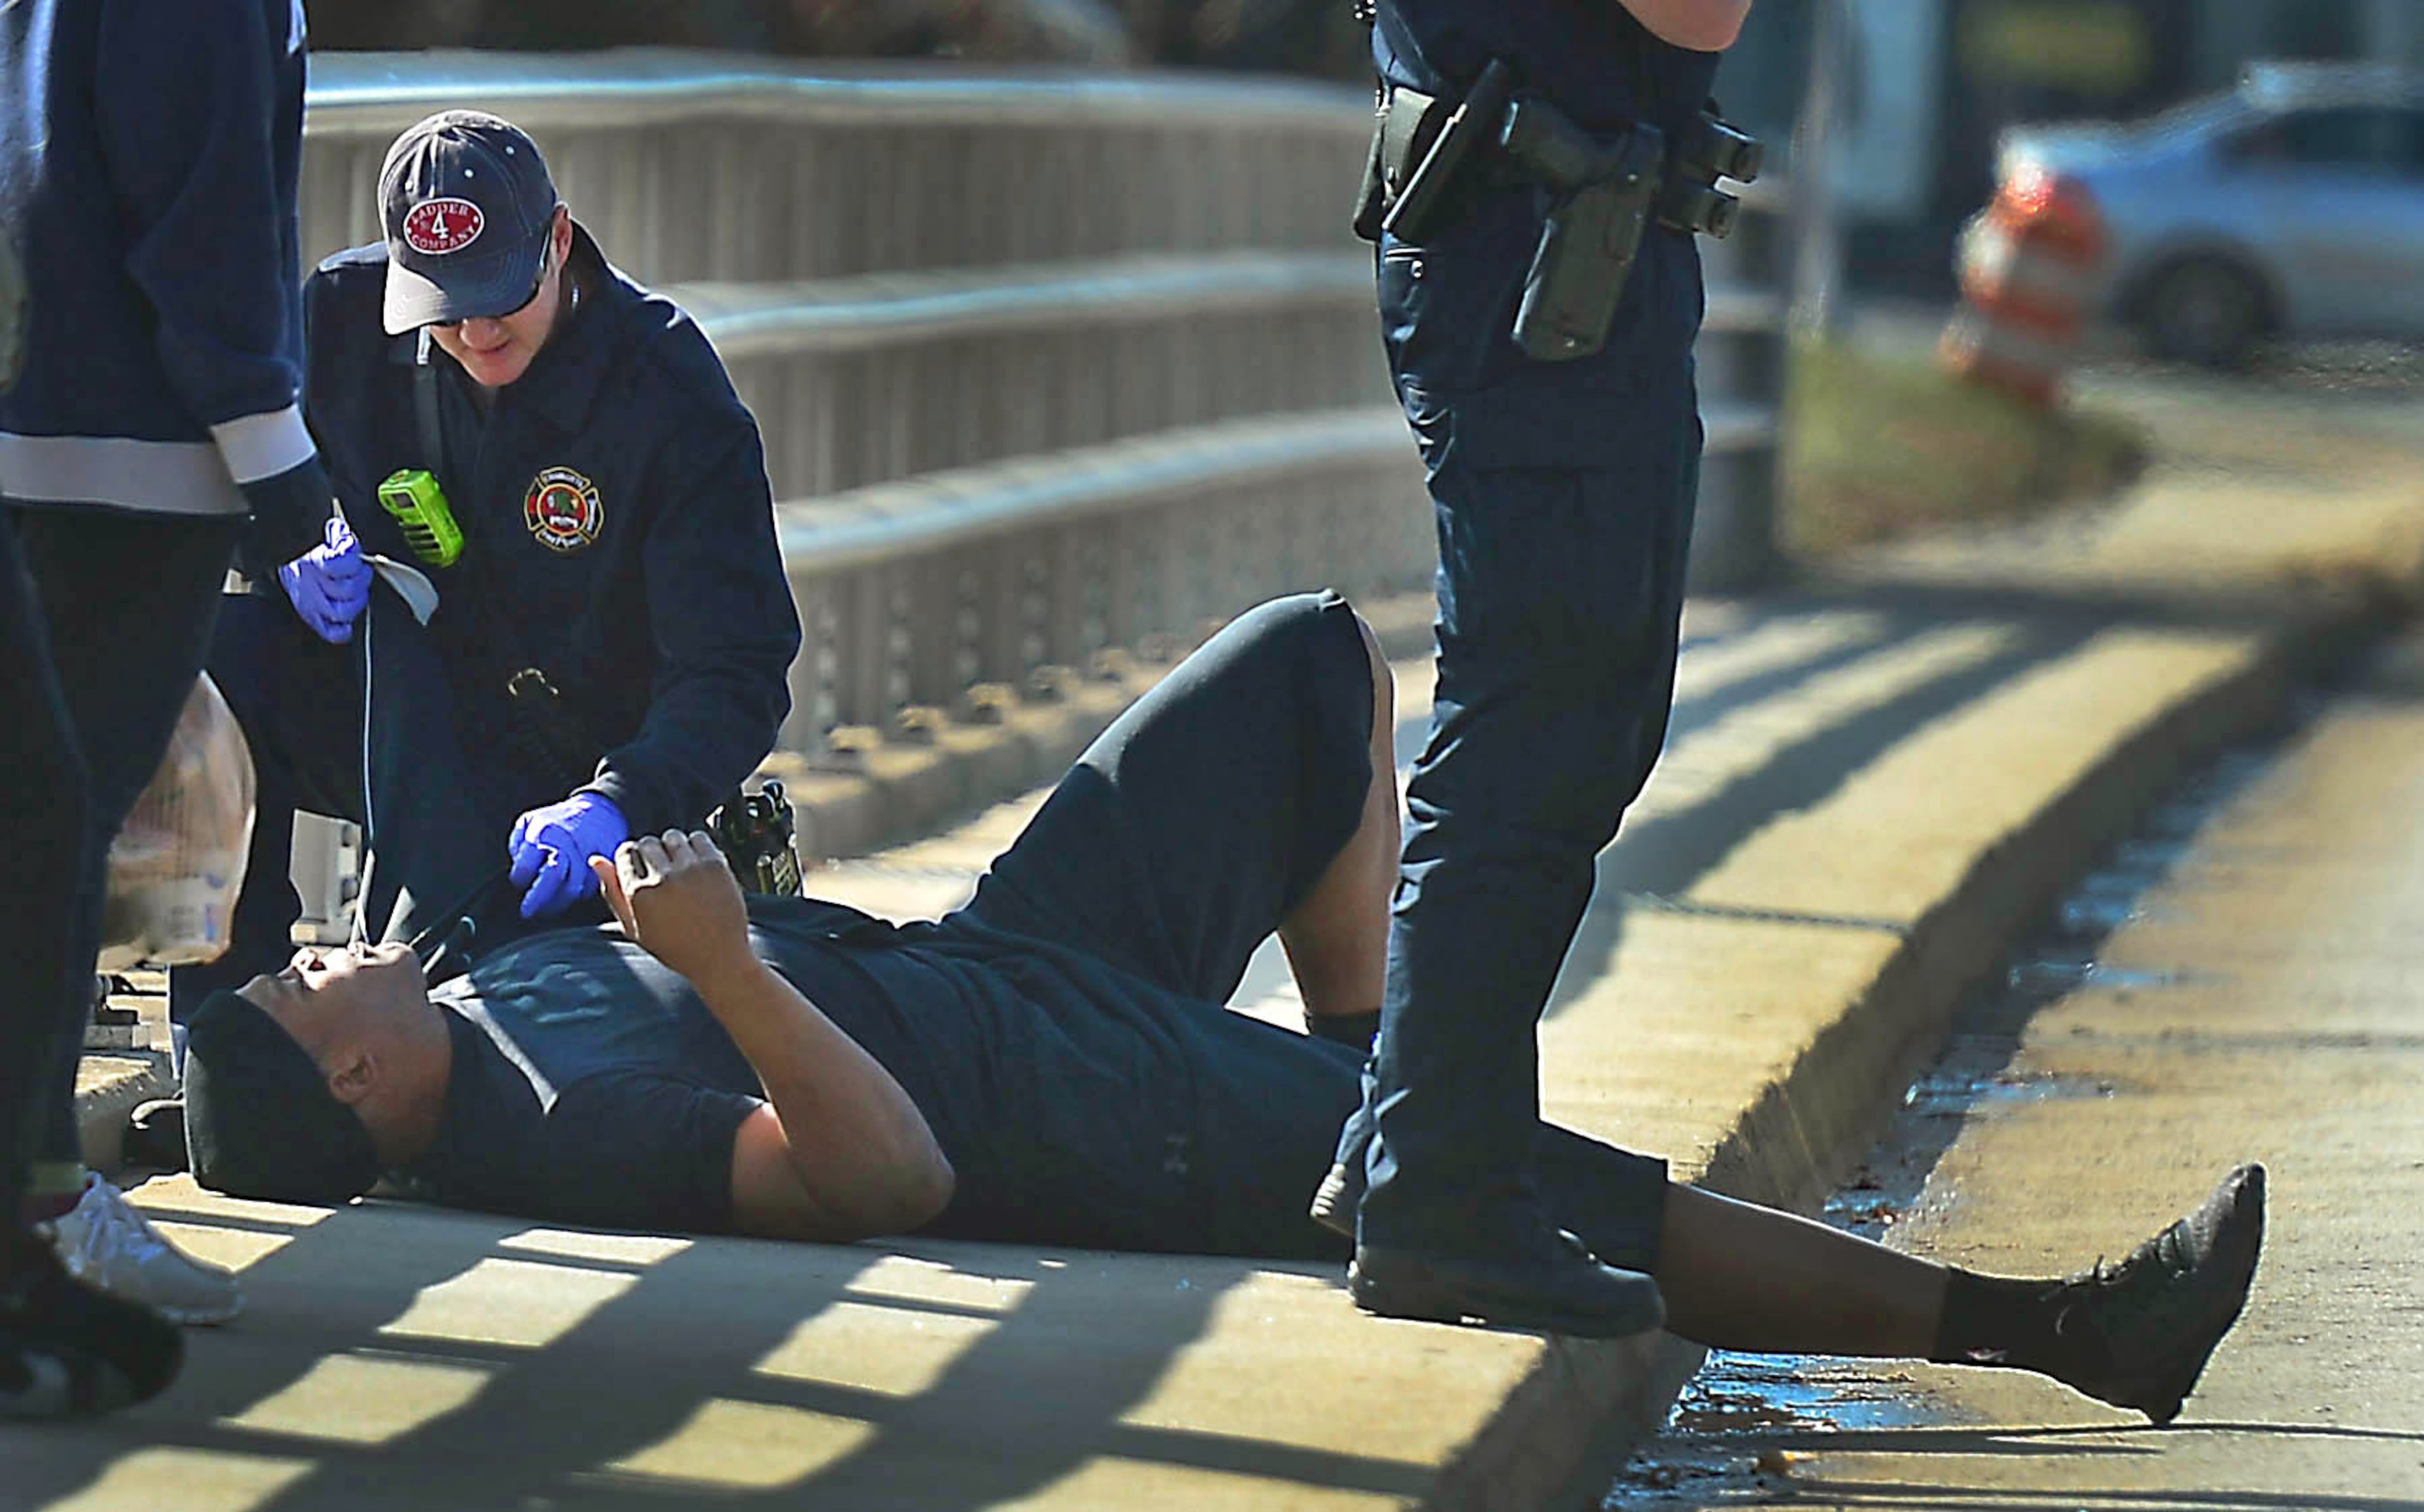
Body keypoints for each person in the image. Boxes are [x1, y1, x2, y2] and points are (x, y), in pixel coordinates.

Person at [181, 593, 2267, 1429]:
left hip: (1001, 952)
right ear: (347, 1078)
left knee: (1297, 661)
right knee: (1519, 1181)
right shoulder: (545, 1126)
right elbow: (879, 1177)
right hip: (1077, 1102)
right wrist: (729, 965)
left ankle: (1356, 1072)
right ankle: (2063, 1327)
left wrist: (754, 908)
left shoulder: (466, 963)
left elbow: (362, 693)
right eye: (294, 987)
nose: (313, 952)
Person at [164, 111, 802, 1113]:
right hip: (402, 721)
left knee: (507, 1046)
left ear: (558, 243)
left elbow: (739, 662)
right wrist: (281, 543)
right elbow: (222, 470)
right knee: (207, 655)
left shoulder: (665, 387)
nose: (476, 331)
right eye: (444, 309)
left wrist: (625, 800)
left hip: (580, 784)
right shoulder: (339, 324)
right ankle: (223, 1029)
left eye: (502, 297)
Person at [1317, 0, 1762, 1335]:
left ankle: (1412, 1141)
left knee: (1588, 718)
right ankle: (1437, 1197)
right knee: (1535, 721)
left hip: (1572, 233)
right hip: (1538, 241)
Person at [1, 0, 336, 1415]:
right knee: (45, 836)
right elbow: (198, 216)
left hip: (46, 426)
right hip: (129, 457)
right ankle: (36, 1200)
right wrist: (282, 469)